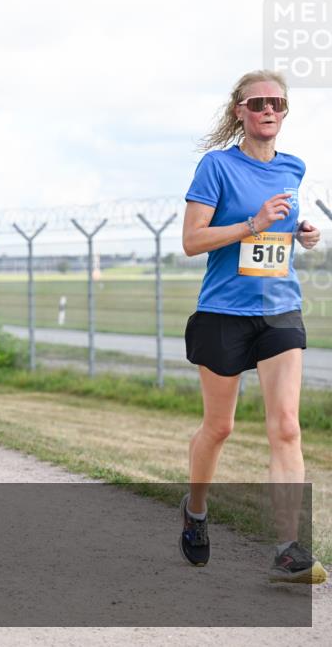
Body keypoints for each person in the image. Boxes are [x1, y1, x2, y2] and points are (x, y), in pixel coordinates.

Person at [180, 70, 325, 584]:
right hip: (224, 312)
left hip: (280, 310)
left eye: (278, 104)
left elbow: (281, 233)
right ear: (239, 110)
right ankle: (196, 509)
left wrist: (301, 233)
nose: (269, 111)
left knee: (286, 425)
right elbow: (192, 242)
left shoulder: (294, 166)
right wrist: (254, 224)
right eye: (259, 102)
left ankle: (288, 547)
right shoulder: (216, 167)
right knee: (219, 428)